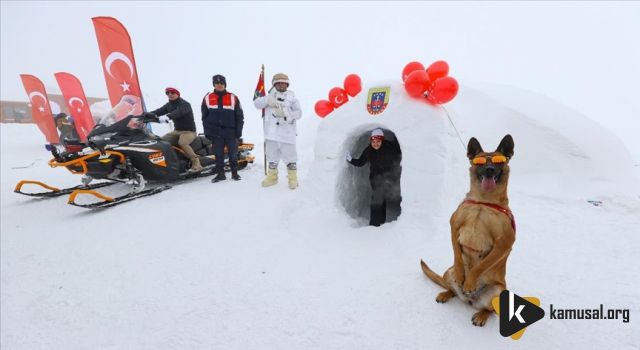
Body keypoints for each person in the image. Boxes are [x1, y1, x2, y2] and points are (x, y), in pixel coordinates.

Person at [253, 73, 303, 189]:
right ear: (274, 84)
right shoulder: (269, 96)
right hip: (271, 135)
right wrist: (267, 100)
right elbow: (256, 104)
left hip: (287, 134)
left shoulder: (292, 98)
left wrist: (287, 114)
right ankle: (272, 177)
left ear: (287, 84)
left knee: (290, 157)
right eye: (278, 83)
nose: (281, 85)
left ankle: (292, 178)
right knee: (272, 157)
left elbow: (299, 113)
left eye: (283, 83)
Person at [346, 128, 402, 227]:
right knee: (378, 198)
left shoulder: (388, 147)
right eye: (373, 141)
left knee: (380, 198)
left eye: (378, 141)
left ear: (382, 141)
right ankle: (378, 221)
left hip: (387, 177)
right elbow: (360, 162)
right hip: (375, 178)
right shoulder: (369, 150)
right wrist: (351, 160)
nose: (375, 144)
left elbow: (398, 152)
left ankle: (377, 222)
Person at [201, 74, 244, 182]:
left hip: (231, 132)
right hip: (216, 133)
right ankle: (220, 175)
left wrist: (238, 131)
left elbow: (239, 116)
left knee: (233, 155)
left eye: (221, 83)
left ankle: (235, 174)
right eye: (217, 83)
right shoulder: (207, 97)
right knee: (218, 155)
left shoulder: (233, 97)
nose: (219, 85)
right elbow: (204, 117)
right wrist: (207, 132)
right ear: (214, 85)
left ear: (225, 84)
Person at [150, 87, 202, 173]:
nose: (170, 94)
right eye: (167, 93)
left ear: (177, 94)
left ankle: (197, 164)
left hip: (189, 131)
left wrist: (168, 116)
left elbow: (178, 113)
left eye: (172, 92)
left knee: (182, 143)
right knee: (160, 142)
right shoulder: (169, 105)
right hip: (177, 131)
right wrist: (144, 115)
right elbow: (158, 111)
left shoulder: (185, 104)